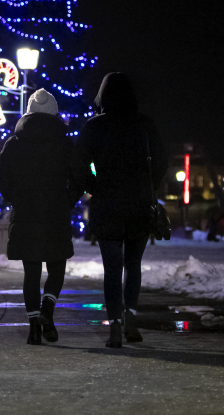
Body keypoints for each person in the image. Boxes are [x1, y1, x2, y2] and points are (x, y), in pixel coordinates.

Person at [74, 73, 168, 348]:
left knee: (112, 268)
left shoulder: (94, 127)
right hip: (139, 202)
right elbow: (161, 161)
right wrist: (150, 186)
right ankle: (132, 319)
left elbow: (78, 165)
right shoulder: (145, 125)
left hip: (107, 203)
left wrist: (94, 187)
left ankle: (115, 326)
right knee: (133, 265)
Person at [0, 88, 83, 345]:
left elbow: (3, 181)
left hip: (25, 214)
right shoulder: (66, 144)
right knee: (57, 265)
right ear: (55, 112)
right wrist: (68, 200)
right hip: (56, 212)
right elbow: (78, 178)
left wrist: (18, 199)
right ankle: (48, 309)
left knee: (31, 271)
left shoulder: (14, 144)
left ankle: (34, 327)